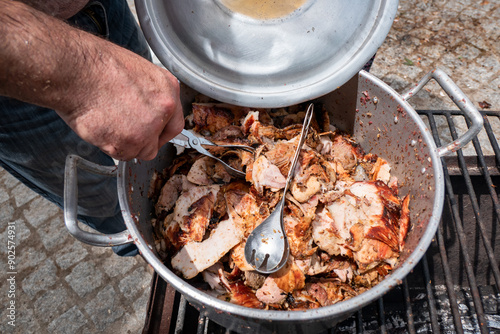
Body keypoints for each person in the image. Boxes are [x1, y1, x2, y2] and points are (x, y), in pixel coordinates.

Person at [0, 0, 185, 256]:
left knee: (156, 116)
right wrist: (83, 72)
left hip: (104, 7)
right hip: (17, 72)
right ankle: (146, 245)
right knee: (103, 200)